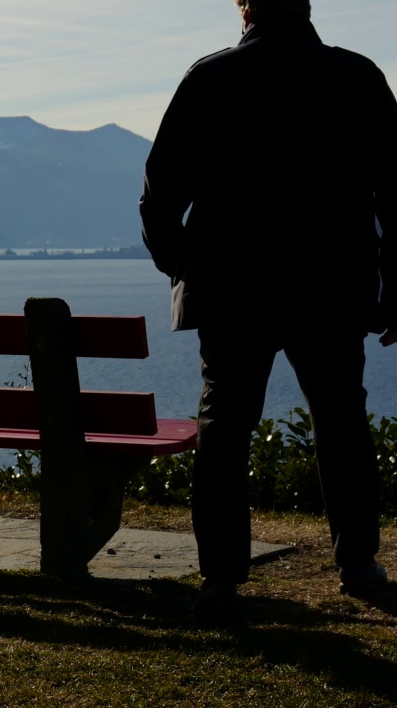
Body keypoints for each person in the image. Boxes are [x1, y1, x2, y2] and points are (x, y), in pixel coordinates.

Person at [141, 0, 397, 622]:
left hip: (232, 288)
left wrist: (186, 267)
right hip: (332, 284)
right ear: (306, 5)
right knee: (342, 419)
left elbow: (159, 197)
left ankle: (221, 579)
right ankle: (358, 562)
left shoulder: (209, 79)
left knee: (224, 429)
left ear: (245, 8)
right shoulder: (357, 76)